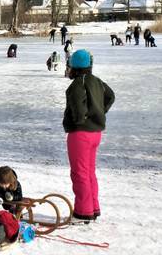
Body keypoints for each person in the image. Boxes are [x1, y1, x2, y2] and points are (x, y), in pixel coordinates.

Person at [63, 49, 115, 223]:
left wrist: (81, 118)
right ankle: (93, 207)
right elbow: (110, 96)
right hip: (95, 133)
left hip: (80, 134)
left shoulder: (78, 84)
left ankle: (83, 213)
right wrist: (100, 112)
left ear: (75, 67)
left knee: (79, 174)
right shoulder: (96, 81)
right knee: (89, 172)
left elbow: (78, 107)